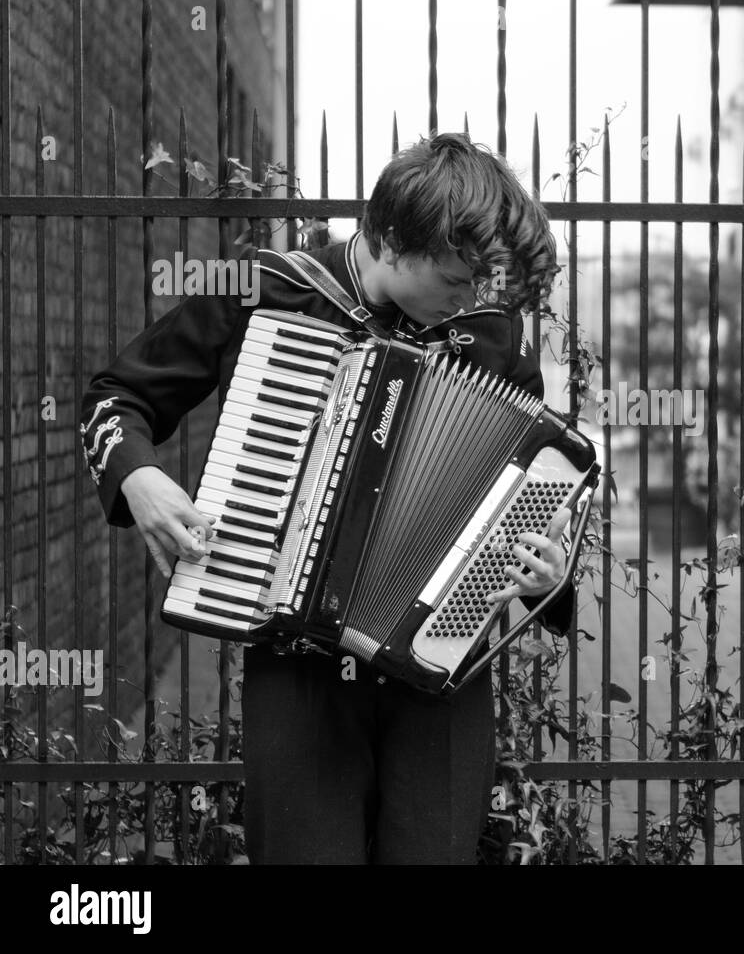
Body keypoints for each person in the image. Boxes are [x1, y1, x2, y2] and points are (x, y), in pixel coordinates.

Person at [79, 132, 574, 864]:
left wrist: (548, 572)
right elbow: (115, 399)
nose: (471, 298)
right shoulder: (266, 288)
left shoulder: (491, 336)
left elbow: (535, 494)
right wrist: (139, 477)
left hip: (440, 673)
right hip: (298, 666)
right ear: (395, 237)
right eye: (456, 277)